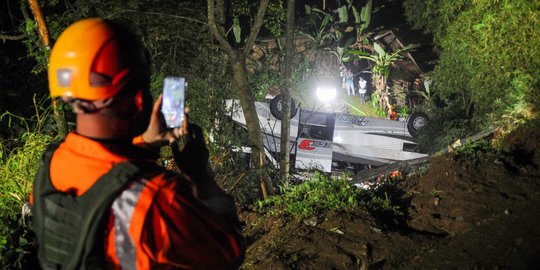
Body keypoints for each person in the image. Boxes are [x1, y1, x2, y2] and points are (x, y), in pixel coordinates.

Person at [31, 18, 244, 269]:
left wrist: (146, 143)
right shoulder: (156, 199)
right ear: (136, 96)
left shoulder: (52, 165)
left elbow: (102, 178)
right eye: (142, 85)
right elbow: (227, 250)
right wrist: (200, 174)